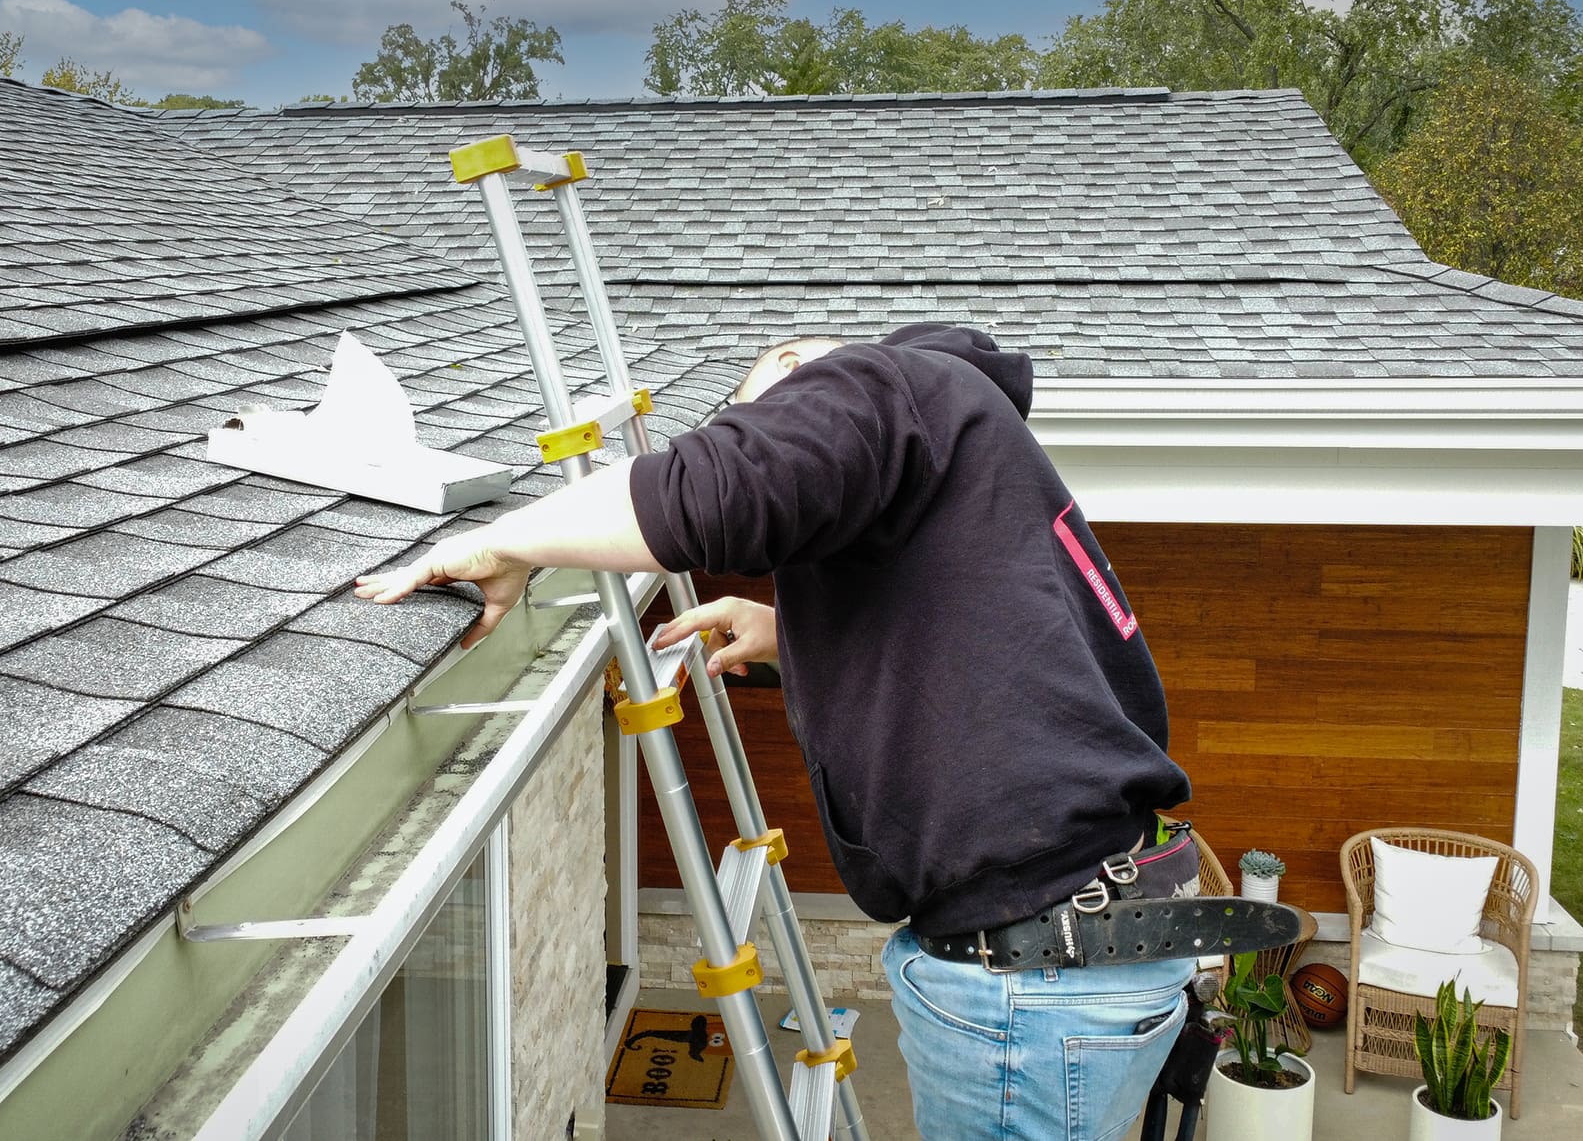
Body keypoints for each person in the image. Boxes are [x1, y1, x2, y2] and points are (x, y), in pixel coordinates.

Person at [358, 325, 1273, 1139]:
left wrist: (502, 542)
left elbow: (720, 486)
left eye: (763, 413)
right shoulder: (960, 441)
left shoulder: (877, 385)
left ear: (793, 371)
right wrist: (788, 634)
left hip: (1034, 978)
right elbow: (975, 660)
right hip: (1080, 949)